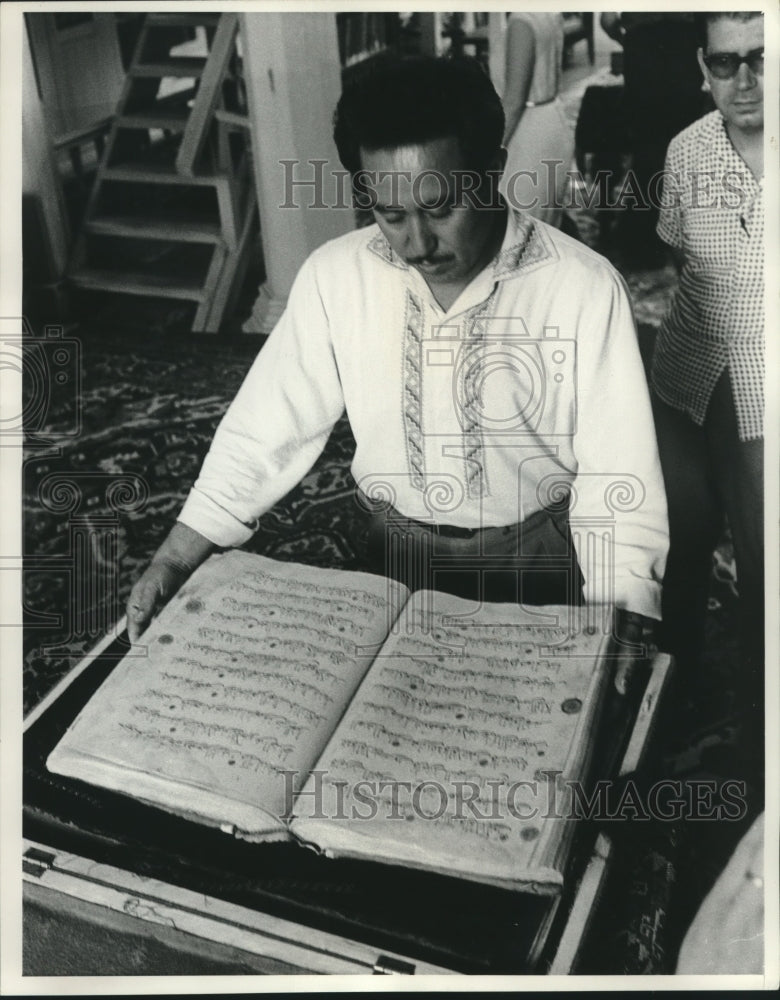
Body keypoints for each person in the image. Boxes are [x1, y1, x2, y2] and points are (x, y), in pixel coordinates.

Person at [127, 56, 668, 692]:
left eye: (442, 209)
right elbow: (267, 426)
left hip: (537, 558)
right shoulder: (337, 276)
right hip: (391, 558)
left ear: (492, 170)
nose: (417, 243)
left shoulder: (580, 286)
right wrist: (176, 552)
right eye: (390, 214)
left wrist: (627, 605)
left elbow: (618, 469)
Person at [651, 13, 764, 756]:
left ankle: (762, 730)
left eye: (762, 58)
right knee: (676, 533)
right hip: (690, 368)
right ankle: (667, 694)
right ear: (704, 66)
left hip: (768, 378)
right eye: (726, 64)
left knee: (765, 558)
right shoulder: (688, 148)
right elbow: (676, 256)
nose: (745, 80)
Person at [600, 12, 704, 265]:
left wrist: (631, 40)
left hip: (644, 47)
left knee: (647, 146)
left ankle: (641, 241)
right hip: (684, 47)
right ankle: (686, 233)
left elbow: (607, 19)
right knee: (682, 141)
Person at [500, 11, 574, 228]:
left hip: (529, 132)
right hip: (553, 118)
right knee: (542, 230)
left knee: (517, 229)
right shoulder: (548, 12)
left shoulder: (521, 21)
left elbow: (514, 102)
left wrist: (487, 154)